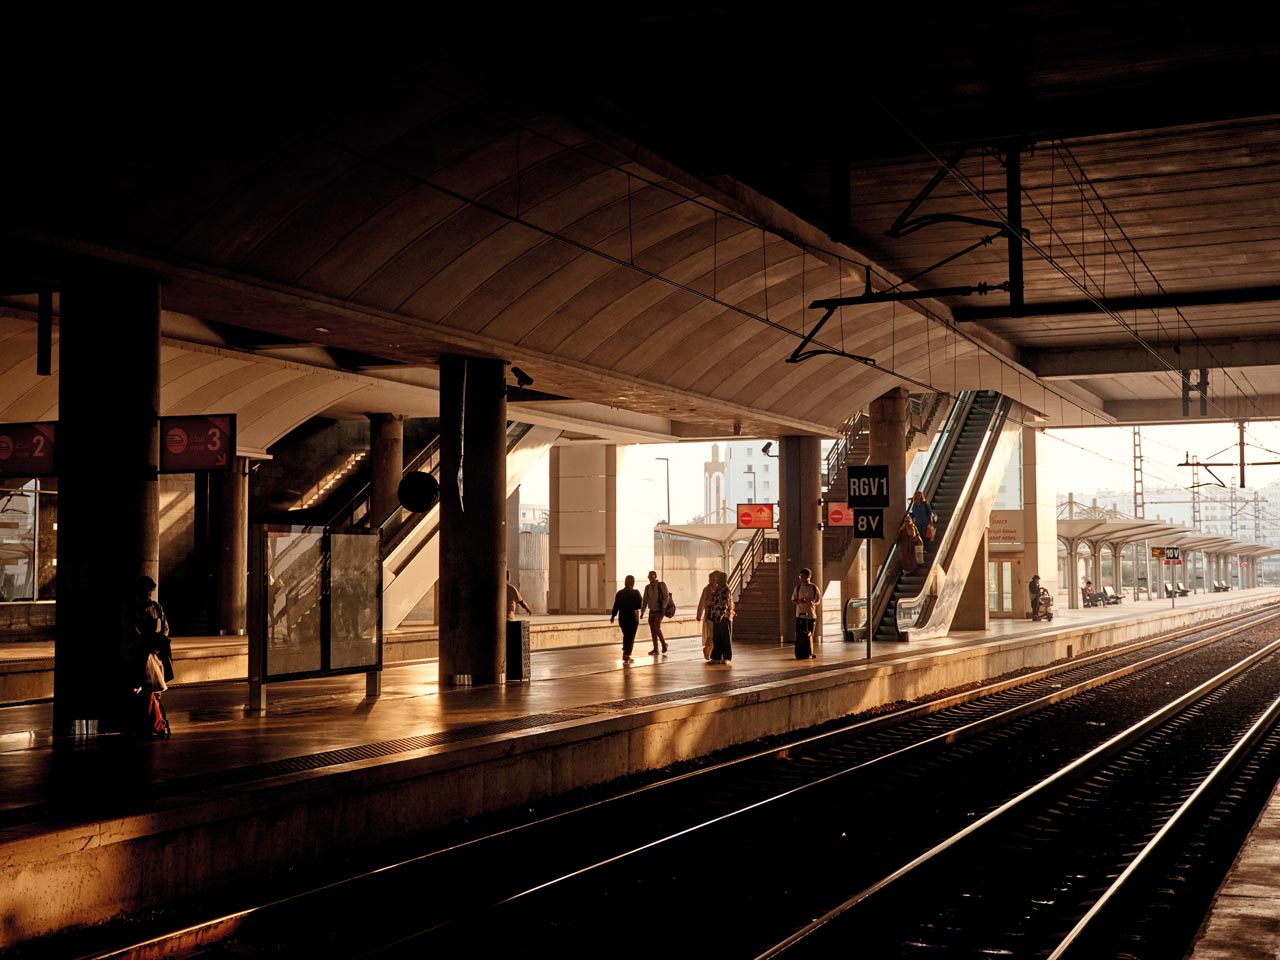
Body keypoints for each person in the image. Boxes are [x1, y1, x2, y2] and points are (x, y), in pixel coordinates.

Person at [609, 574, 644, 663]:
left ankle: (625, 651)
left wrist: (613, 616)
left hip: (623, 617)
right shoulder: (636, 592)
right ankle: (627, 654)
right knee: (631, 636)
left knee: (626, 634)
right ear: (633, 582)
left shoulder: (620, 593)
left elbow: (616, 605)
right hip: (632, 617)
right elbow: (640, 605)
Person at [791, 568, 821, 659]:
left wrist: (813, 603)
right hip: (800, 614)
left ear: (808, 577)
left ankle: (810, 651)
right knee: (799, 634)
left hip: (811, 614)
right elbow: (793, 601)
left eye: (802, 576)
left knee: (810, 634)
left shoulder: (814, 588)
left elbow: (818, 601)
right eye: (800, 576)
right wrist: (800, 601)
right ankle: (801, 651)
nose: (800, 578)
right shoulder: (798, 588)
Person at [707, 570, 734, 664]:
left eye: (718, 578)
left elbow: (725, 603)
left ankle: (726, 657)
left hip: (724, 617)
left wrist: (720, 615)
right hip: (716, 616)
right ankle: (716, 656)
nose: (716, 580)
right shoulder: (718, 589)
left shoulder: (726, 590)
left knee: (725, 637)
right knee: (717, 637)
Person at [640, 570, 670, 655]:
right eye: (649, 577)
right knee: (652, 630)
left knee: (656, 627)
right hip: (652, 611)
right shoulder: (647, 587)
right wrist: (642, 612)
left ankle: (663, 644)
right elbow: (645, 600)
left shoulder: (661, 585)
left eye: (652, 576)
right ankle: (655, 648)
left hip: (659, 610)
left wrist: (664, 607)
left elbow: (666, 596)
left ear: (655, 576)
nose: (650, 578)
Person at [695, 571, 716, 660]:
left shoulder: (719, 589)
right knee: (711, 635)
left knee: (715, 635)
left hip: (717, 615)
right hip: (710, 615)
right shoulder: (707, 589)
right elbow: (702, 602)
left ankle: (712, 652)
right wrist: (699, 614)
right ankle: (707, 650)